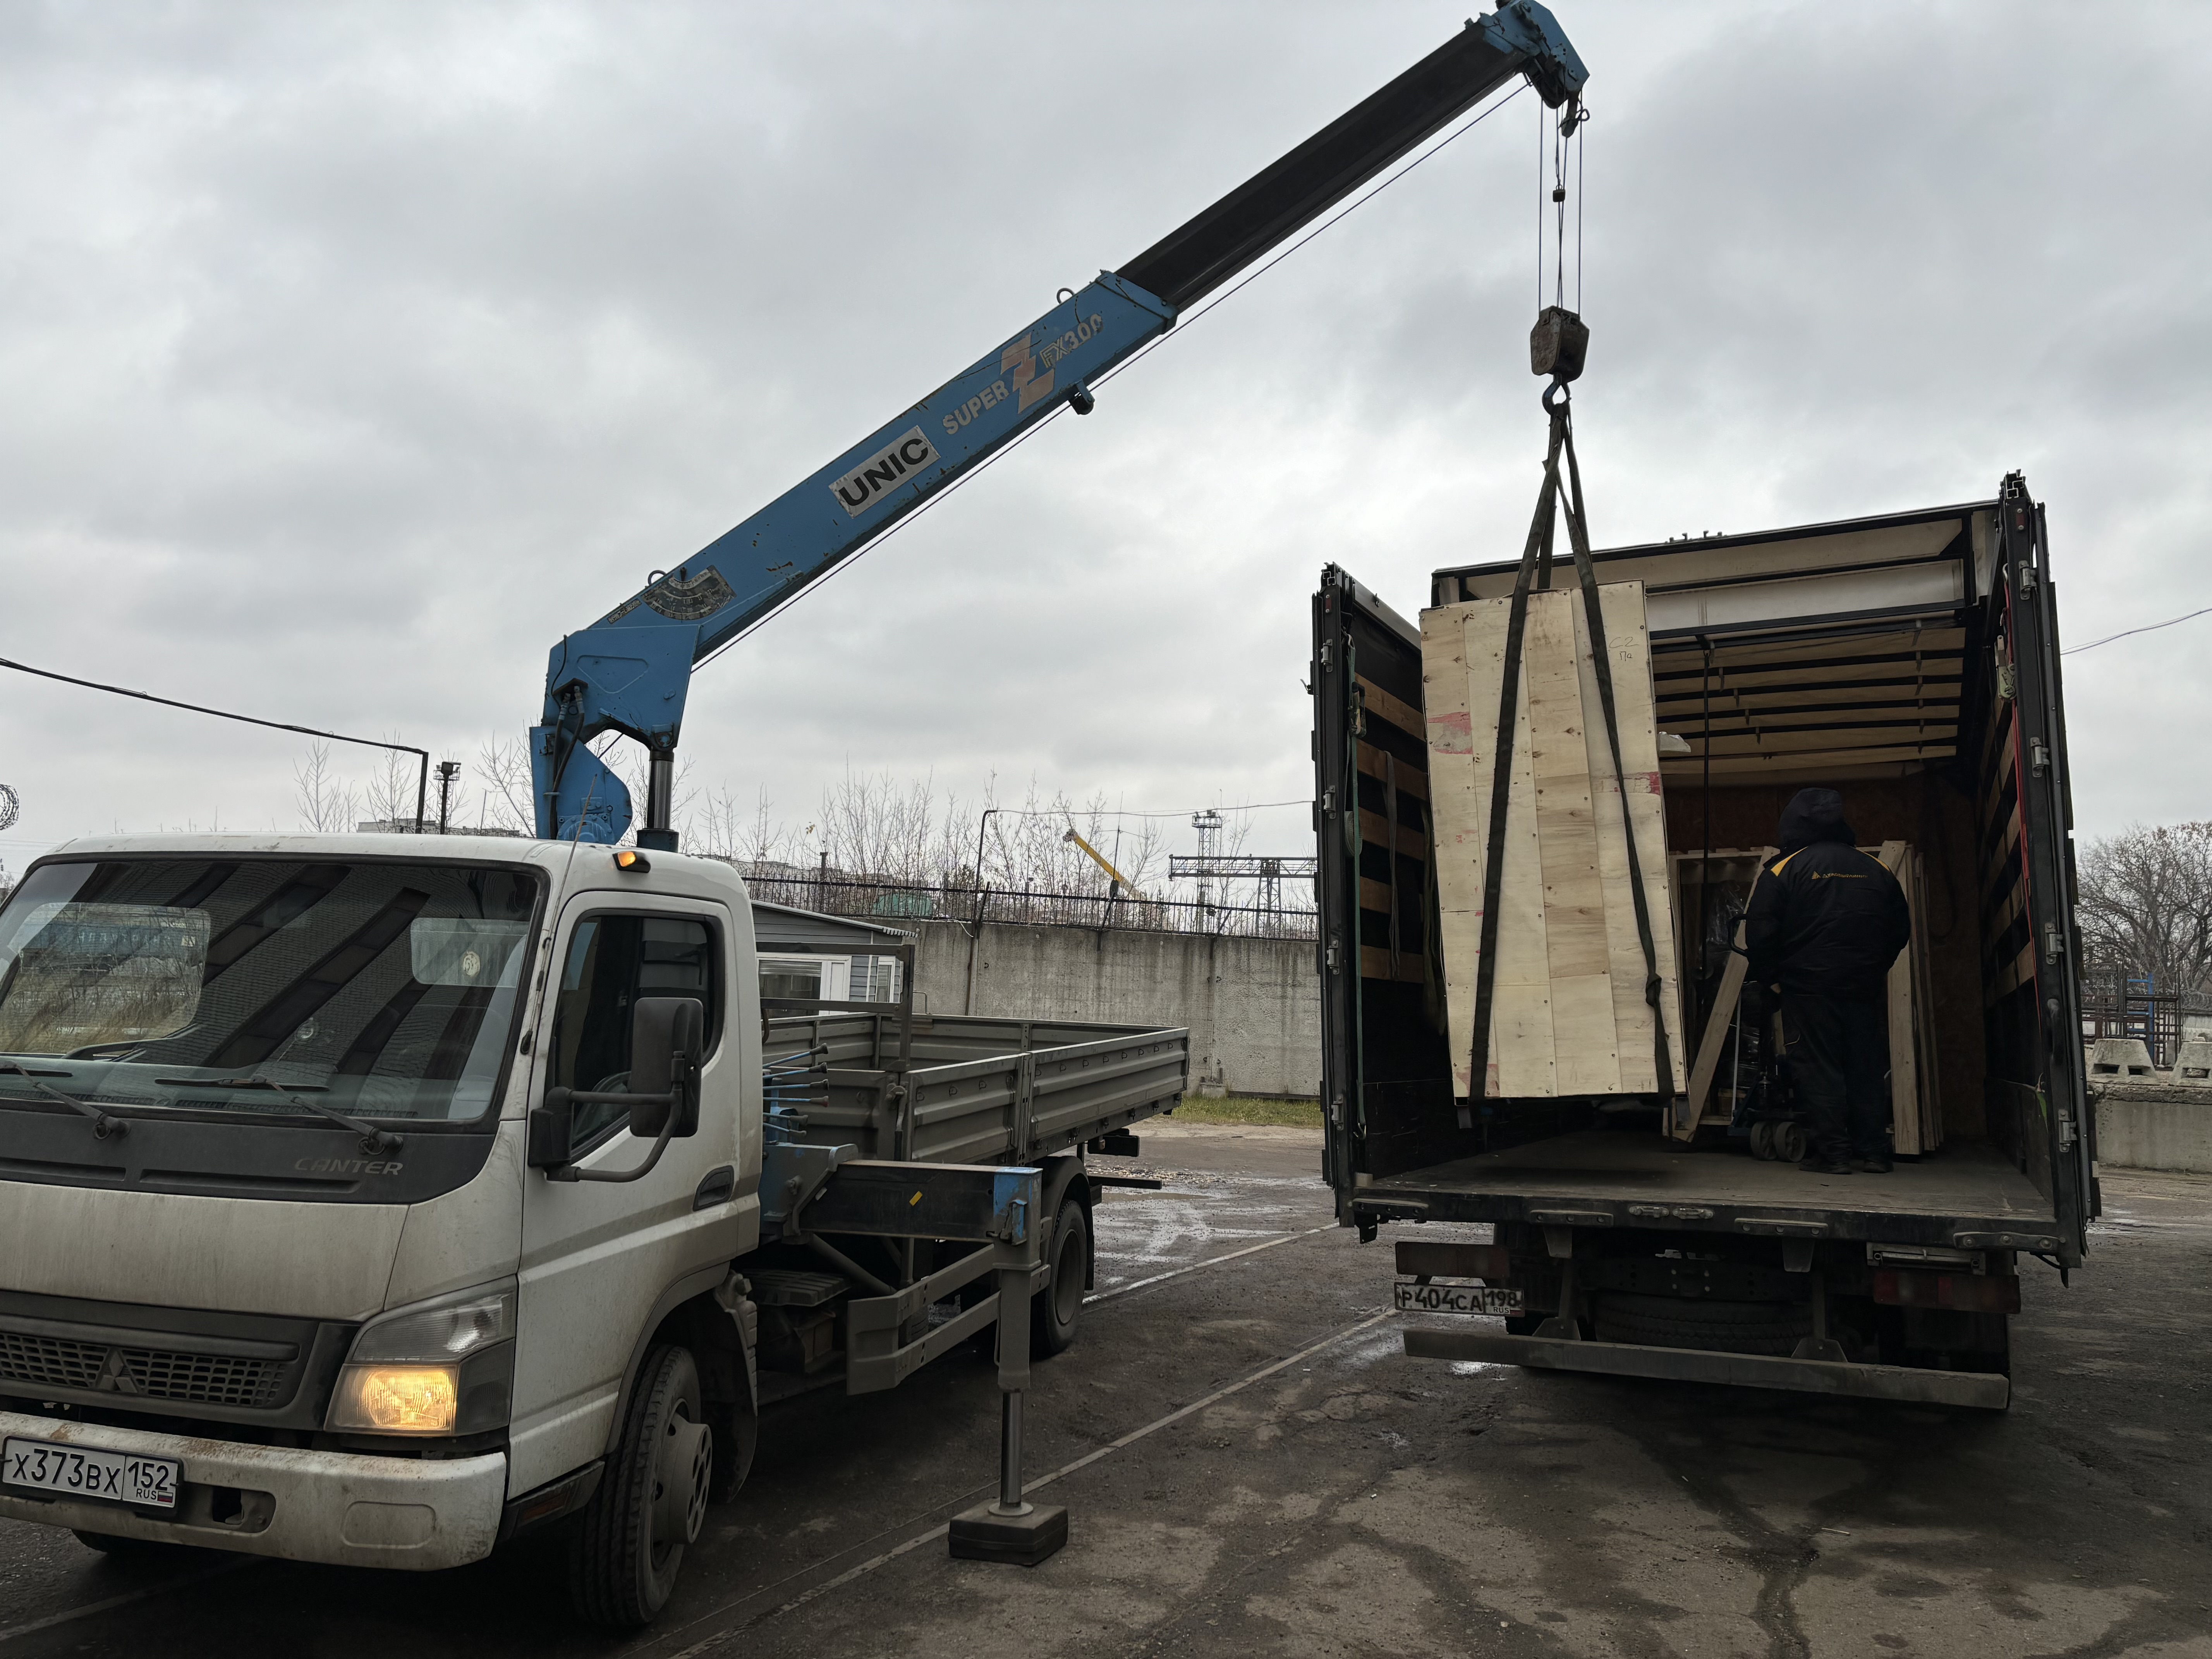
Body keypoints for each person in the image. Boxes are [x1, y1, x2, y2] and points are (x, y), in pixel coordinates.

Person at [1743, 787, 1911, 1175]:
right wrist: (1874, 968)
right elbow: (1899, 930)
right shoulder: (1877, 868)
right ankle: (1875, 1153)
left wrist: (1772, 980)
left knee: (1819, 1066)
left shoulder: (1784, 870)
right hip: (1862, 985)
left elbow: (1761, 934)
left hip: (1808, 988)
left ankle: (1833, 1154)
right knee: (1864, 1065)